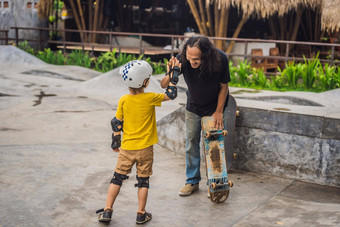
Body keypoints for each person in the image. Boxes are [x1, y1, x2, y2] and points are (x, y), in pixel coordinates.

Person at [97, 59, 181, 224]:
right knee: (143, 181)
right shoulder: (150, 97)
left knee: (117, 178)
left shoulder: (124, 100)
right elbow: (171, 94)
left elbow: (116, 122)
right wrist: (174, 75)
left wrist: (116, 141)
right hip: (145, 150)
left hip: (127, 148)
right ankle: (141, 214)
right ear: (146, 82)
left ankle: (107, 210)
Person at [161, 35, 231, 196]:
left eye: (196, 60)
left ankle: (213, 183)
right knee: (191, 142)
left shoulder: (220, 59)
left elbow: (224, 86)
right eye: (189, 58)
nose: (192, 62)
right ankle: (192, 181)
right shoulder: (182, 59)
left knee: (214, 144)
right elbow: (164, 84)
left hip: (215, 107)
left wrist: (219, 111)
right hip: (193, 106)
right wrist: (171, 72)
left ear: (206, 55)